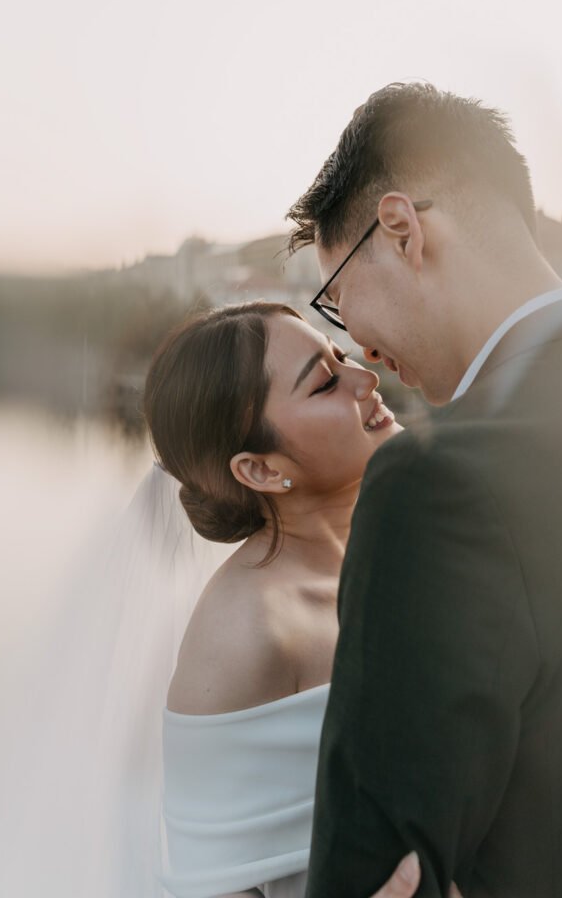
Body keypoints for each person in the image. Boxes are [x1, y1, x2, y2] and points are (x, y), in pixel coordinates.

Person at [286, 81, 562, 897]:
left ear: (401, 230)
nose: (356, 344)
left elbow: (369, 868)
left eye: (336, 300)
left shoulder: (436, 486)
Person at [144, 301, 427, 898]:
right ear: (262, 471)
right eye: (325, 382)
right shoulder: (244, 629)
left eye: (341, 356)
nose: (365, 379)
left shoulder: (412, 543)